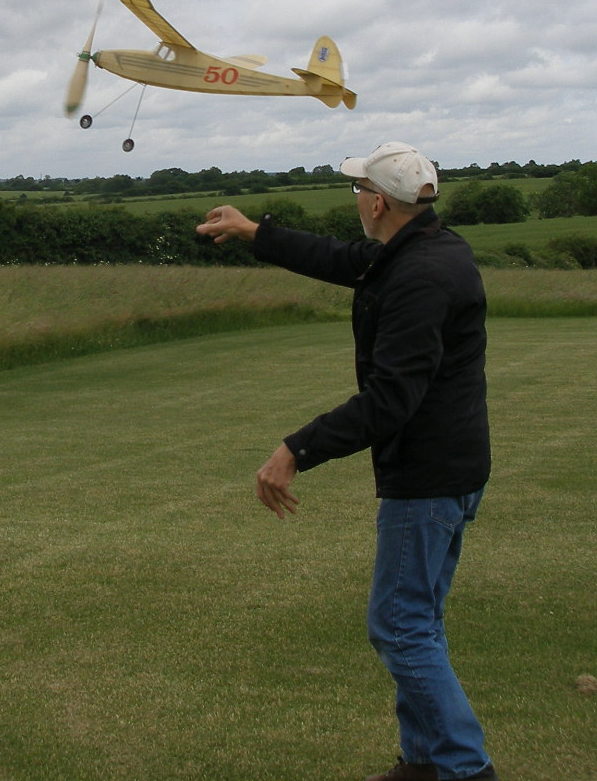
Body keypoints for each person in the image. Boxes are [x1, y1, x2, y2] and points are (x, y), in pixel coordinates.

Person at [196, 141, 496, 781]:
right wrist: (254, 232)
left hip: (428, 474)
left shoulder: (419, 276)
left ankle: (464, 770)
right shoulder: (428, 249)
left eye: (359, 189)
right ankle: (425, 763)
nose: (356, 199)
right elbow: (339, 258)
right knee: (416, 622)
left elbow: (390, 400)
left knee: (399, 626)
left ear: (378, 203)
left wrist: (295, 449)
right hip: (451, 465)